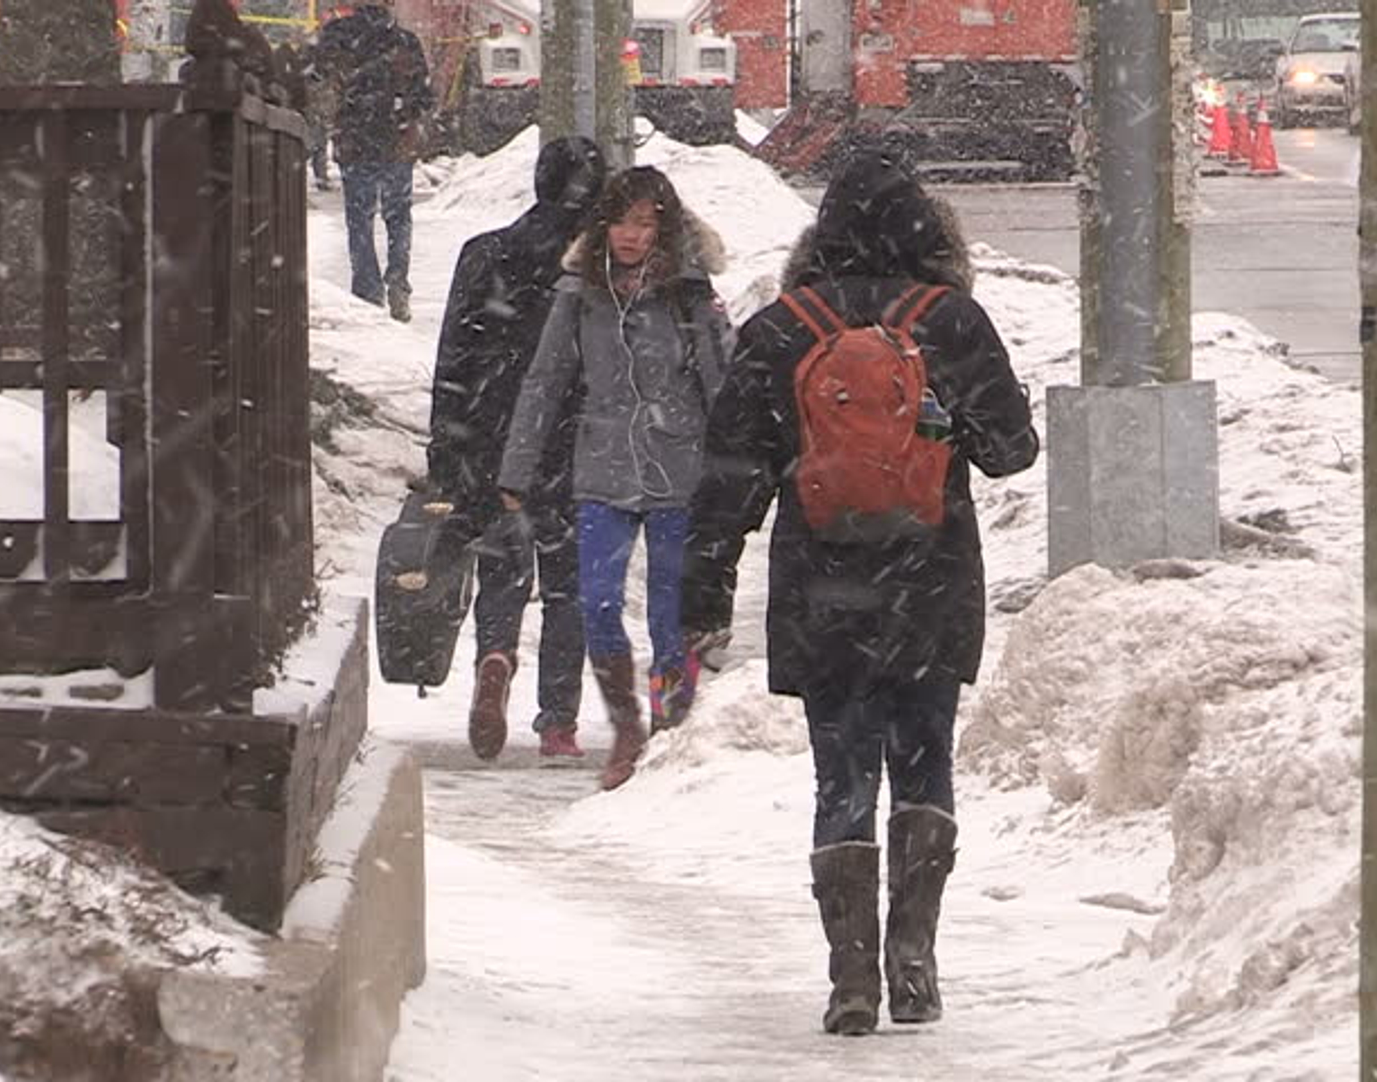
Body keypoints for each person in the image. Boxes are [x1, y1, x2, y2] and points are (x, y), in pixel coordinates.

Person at [680, 148, 1039, 1036]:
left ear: (823, 231)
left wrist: (705, 593)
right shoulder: (950, 321)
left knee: (841, 773)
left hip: (822, 586)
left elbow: (730, 477)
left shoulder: (781, 328)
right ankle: (913, 959)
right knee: (925, 763)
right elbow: (1011, 450)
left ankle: (849, 980)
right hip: (930, 578)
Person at [499, 167, 731, 791]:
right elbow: (545, 380)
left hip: (679, 466)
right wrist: (517, 465)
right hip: (602, 464)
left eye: (644, 224)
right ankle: (626, 724)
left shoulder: (689, 293)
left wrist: (736, 468)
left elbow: (721, 382)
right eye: (621, 222)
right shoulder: (580, 293)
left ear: (664, 230)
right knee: (596, 603)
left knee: (666, 612)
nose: (630, 236)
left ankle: (669, 723)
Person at [426, 136, 608, 762]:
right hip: (570, 433)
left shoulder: (486, 254)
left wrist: (445, 445)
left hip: (488, 431)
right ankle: (558, 720)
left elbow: (452, 354)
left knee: (503, 561)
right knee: (569, 583)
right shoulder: (596, 268)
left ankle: (496, 656)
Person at [308, 0, 433, 321]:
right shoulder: (405, 42)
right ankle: (398, 282)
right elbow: (423, 96)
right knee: (398, 216)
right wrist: (404, 114)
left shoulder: (336, 37)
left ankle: (367, 289)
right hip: (397, 141)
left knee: (359, 218)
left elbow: (317, 82)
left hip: (355, 141)